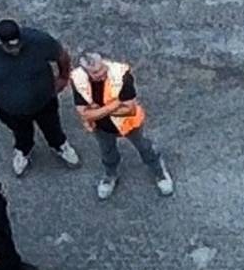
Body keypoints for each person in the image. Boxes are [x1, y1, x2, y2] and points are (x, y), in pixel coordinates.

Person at [0, 17, 77, 176]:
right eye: (10, 48)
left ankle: (60, 145)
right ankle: (23, 150)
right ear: (0, 43)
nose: (16, 50)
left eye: (19, 45)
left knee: (52, 126)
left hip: (45, 100)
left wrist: (63, 77)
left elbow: (61, 55)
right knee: (20, 132)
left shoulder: (39, 40)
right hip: (9, 107)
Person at [70, 51, 173, 200]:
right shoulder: (78, 79)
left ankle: (159, 173)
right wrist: (115, 104)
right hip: (102, 127)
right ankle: (110, 175)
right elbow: (84, 113)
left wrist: (97, 111)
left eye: (100, 69)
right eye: (94, 72)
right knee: (107, 151)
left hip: (129, 123)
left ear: (103, 62)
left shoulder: (121, 75)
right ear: (86, 72)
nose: (99, 74)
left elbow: (129, 109)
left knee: (144, 147)